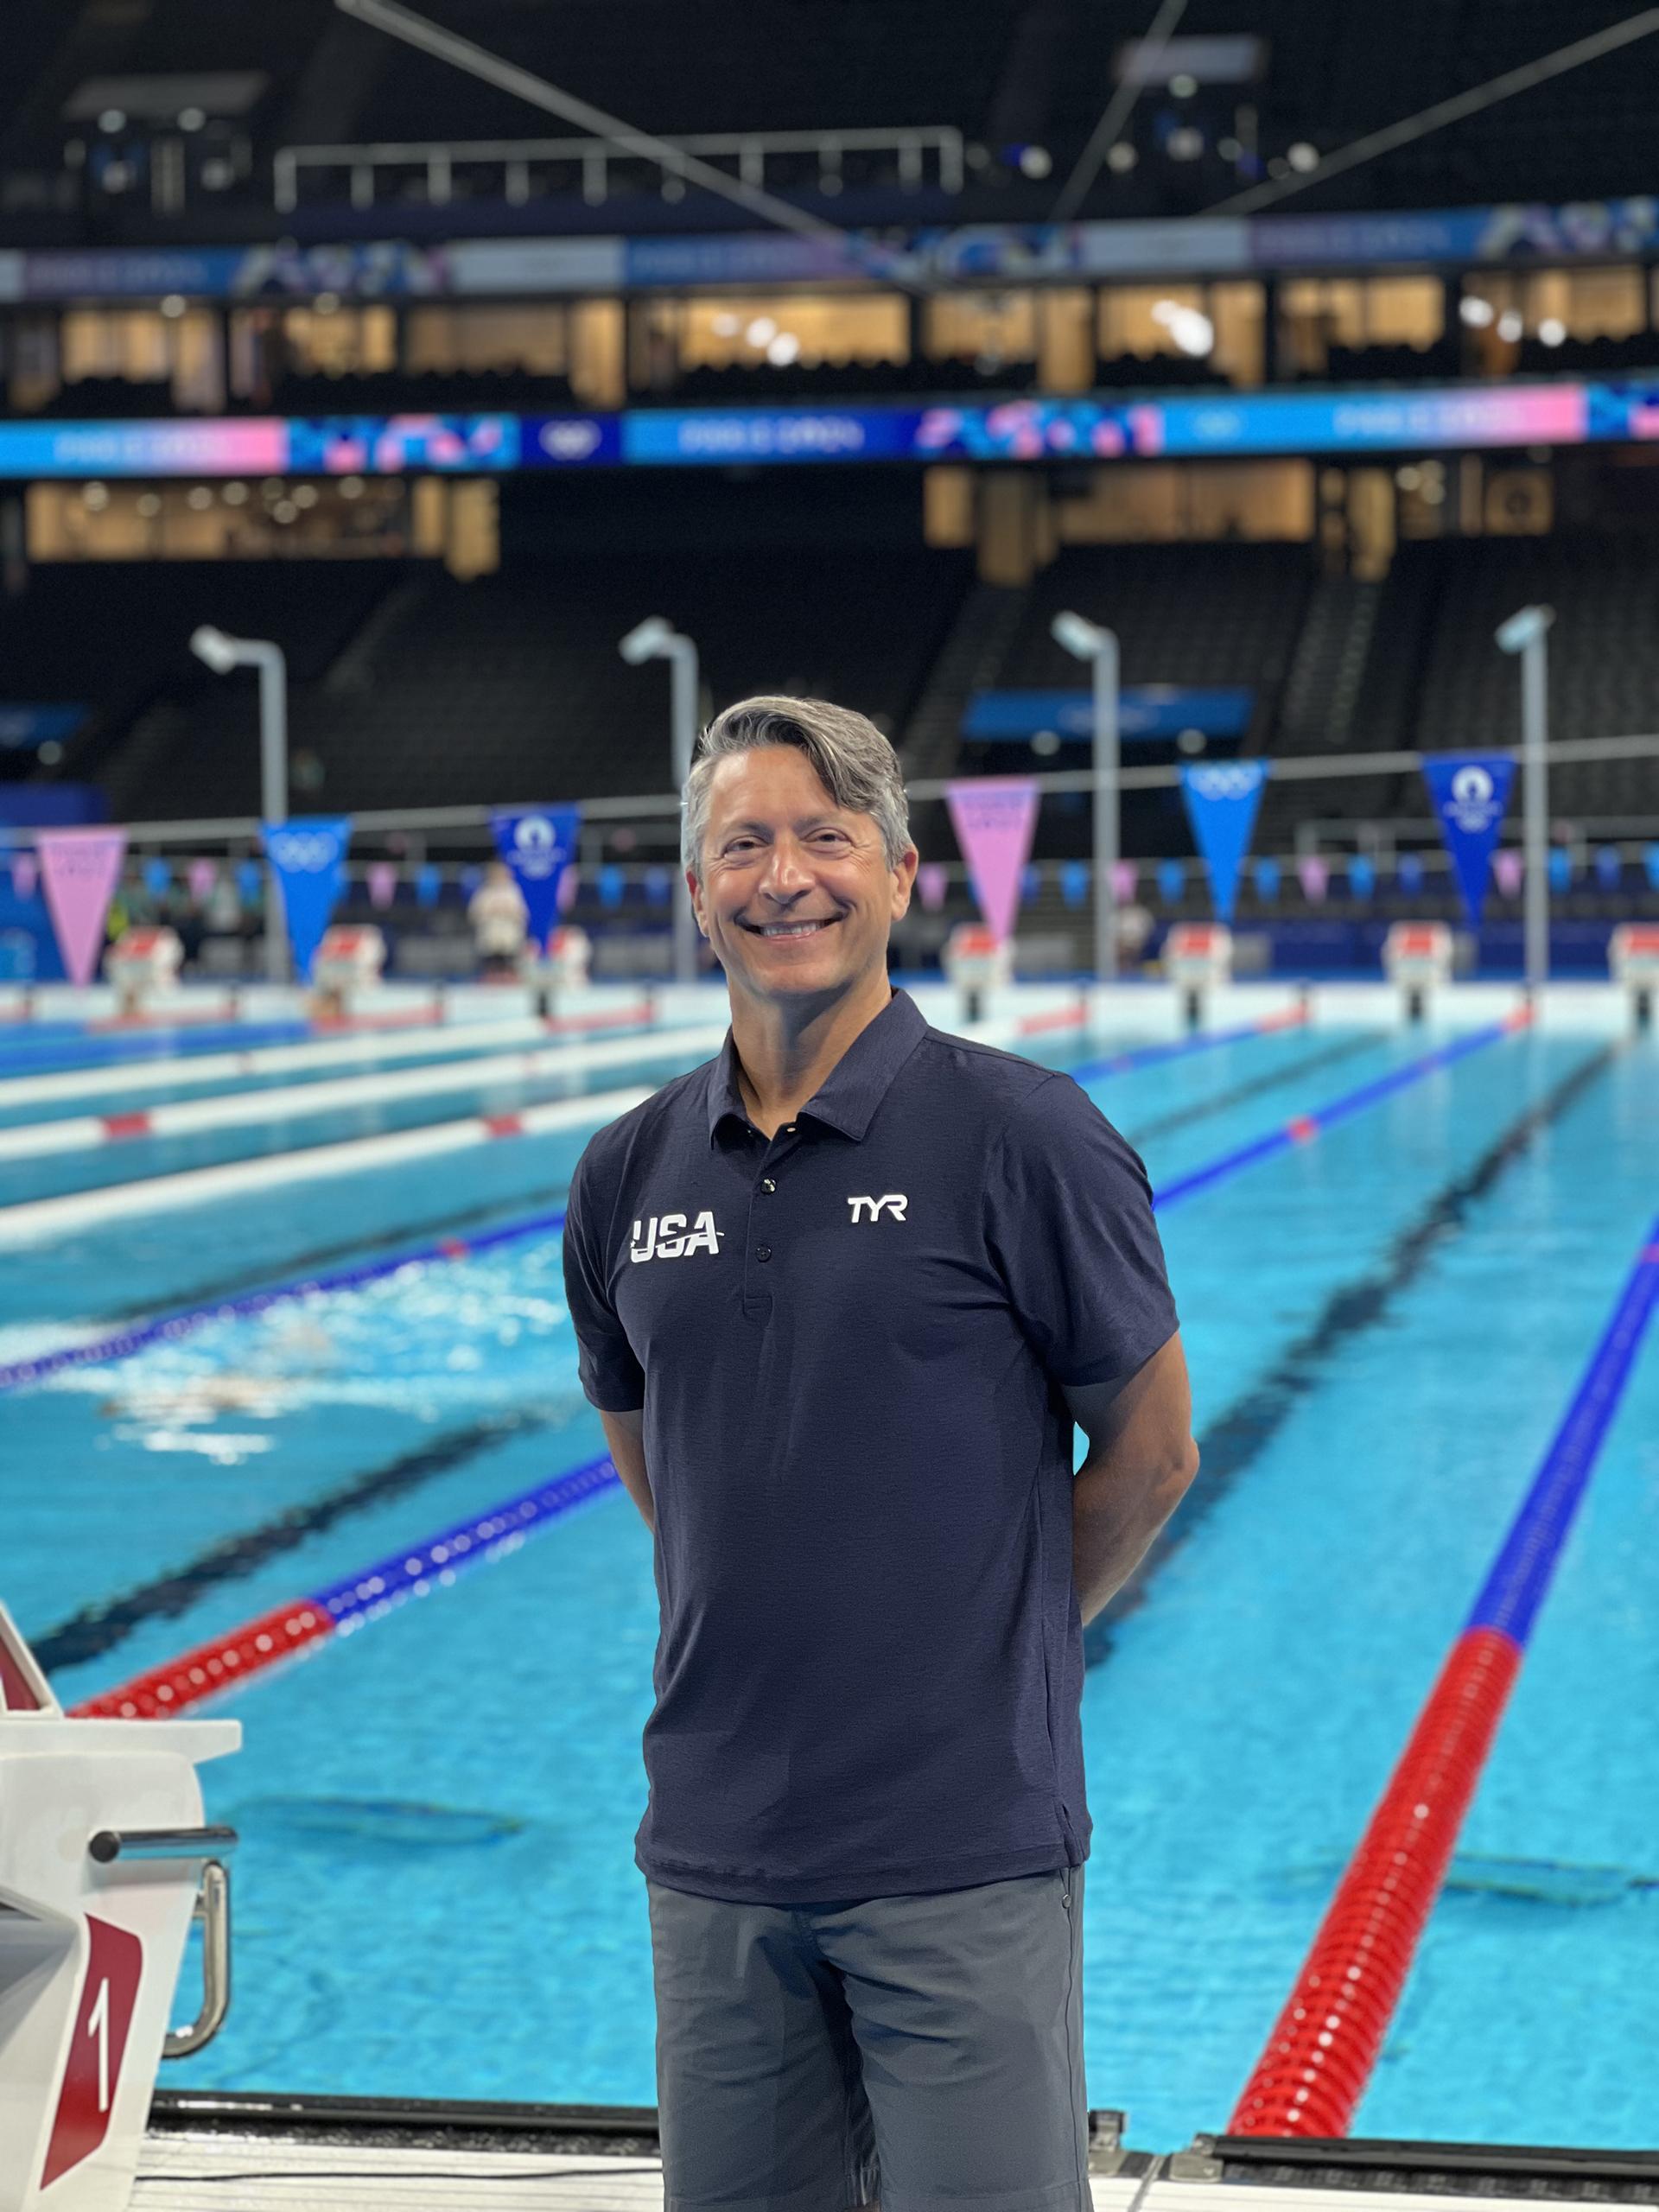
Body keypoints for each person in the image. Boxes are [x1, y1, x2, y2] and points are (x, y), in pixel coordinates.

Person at [562, 696, 1198, 2212]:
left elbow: (1155, 1455)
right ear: (698, 889)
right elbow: (663, 1470)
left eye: (827, 838)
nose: (788, 876)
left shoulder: (1022, 1134)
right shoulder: (624, 1172)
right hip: (715, 1851)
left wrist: (994, 1639)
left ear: (904, 873)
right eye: (746, 843)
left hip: (957, 1845)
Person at [467, 859, 529, 976]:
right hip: (490, 931)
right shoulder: (484, 891)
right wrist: (491, 911)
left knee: (511, 939)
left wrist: (507, 911)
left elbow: (522, 913)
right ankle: (490, 973)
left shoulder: (514, 890)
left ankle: (509, 972)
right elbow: (474, 913)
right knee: (489, 938)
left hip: (509, 932)